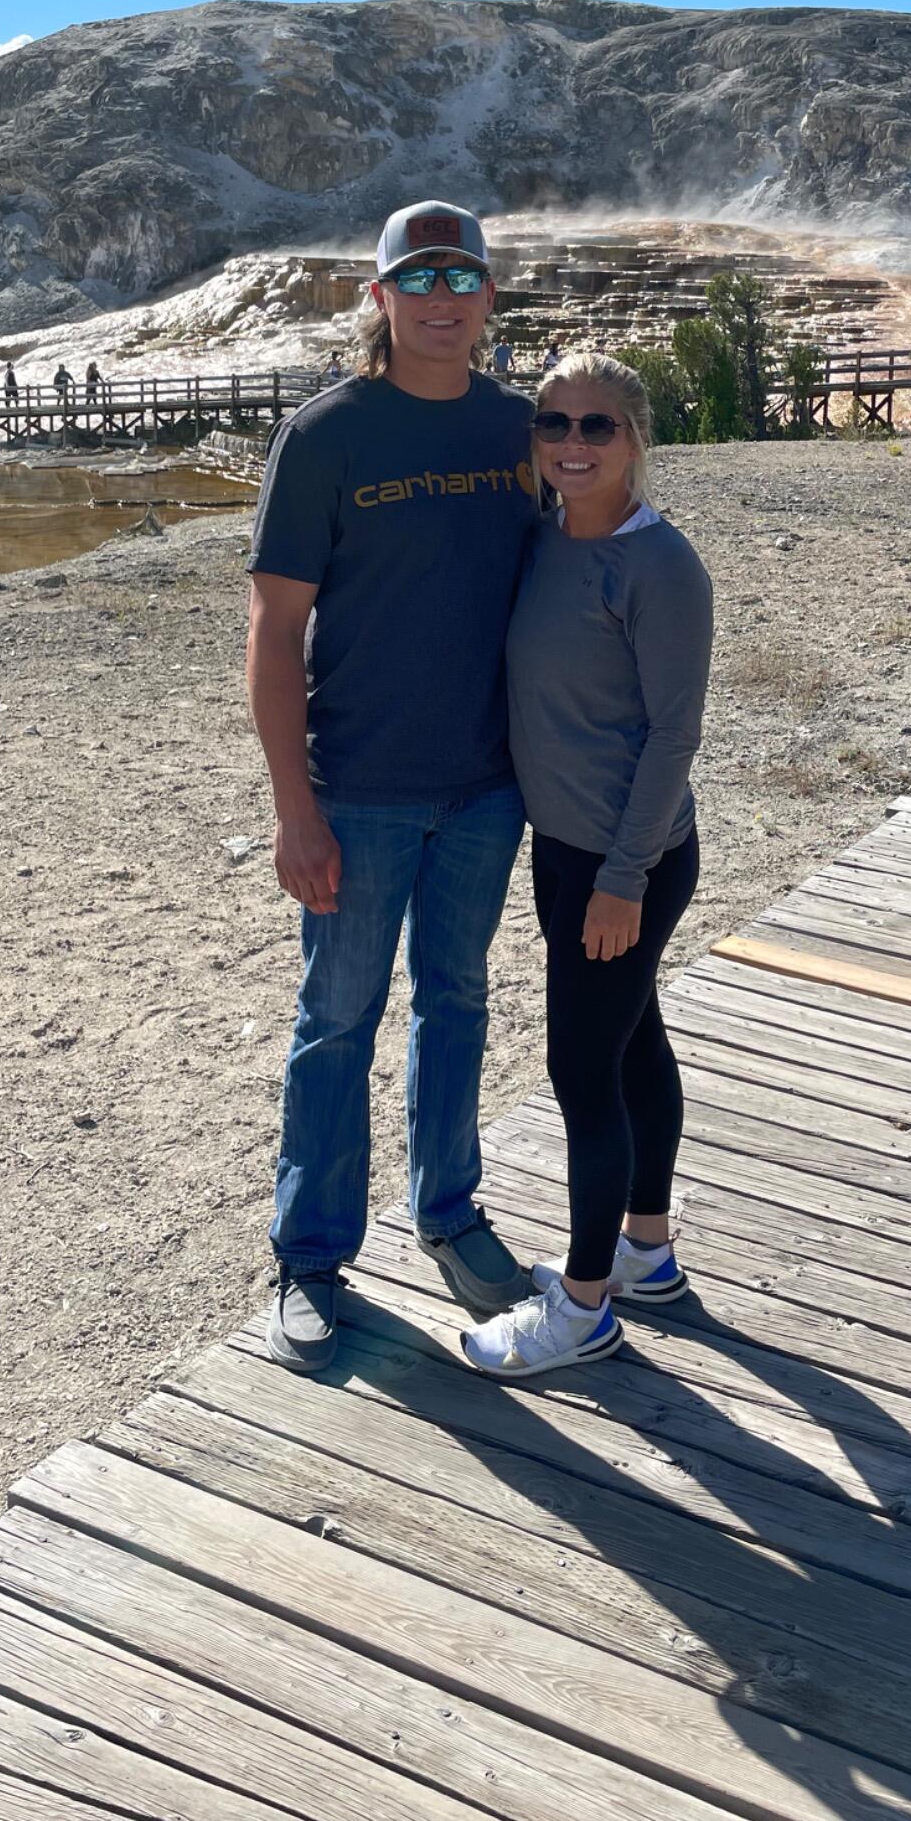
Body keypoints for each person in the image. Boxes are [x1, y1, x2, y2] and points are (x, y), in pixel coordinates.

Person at [246, 200, 539, 1376]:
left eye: (461, 275)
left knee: (456, 1004)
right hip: (357, 789)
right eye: (417, 276)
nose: (440, 297)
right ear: (379, 298)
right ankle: (310, 1258)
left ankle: (449, 1214)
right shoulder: (327, 436)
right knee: (336, 1025)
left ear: (486, 298)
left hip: (485, 787)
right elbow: (273, 634)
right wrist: (293, 809)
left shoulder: (524, 428)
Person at [462, 350, 713, 1379]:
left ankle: (582, 1306)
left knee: (581, 1070)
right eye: (552, 422)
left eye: (596, 425)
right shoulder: (546, 538)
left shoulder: (661, 566)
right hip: (562, 851)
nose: (571, 442)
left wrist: (623, 878)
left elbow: (674, 733)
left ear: (635, 439)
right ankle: (645, 1252)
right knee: (631, 1044)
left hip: (628, 860)